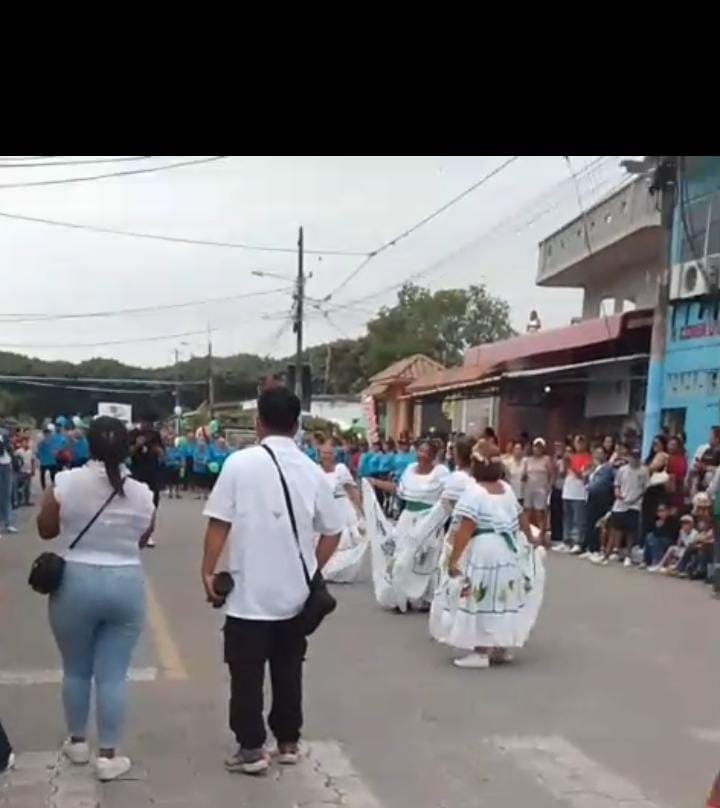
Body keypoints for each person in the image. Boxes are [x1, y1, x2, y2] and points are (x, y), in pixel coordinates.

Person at [201, 387, 341, 775]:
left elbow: (219, 522)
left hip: (248, 594)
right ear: (297, 425)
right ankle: (288, 741)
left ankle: (251, 748)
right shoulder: (312, 471)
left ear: (257, 421)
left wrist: (208, 570)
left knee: (245, 674)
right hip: (295, 595)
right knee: (288, 668)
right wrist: (311, 569)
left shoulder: (239, 463)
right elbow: (332, 531)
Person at [37, 416, 156, 782]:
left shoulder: (66, 482)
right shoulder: (142, 492)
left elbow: (45, 530)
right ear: (126, 448)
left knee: (75, 669)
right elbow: (142, 537)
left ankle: (77, 742)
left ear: (88, 445)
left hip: (74, 581)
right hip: (125, 582)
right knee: (112, 675)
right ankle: (108, 756)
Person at [429, 439, 545, 669]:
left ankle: (481, 652)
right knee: (501, 596)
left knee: (479, 596)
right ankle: (501, 647)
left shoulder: (474, 492)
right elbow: (521, 516)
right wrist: (530, 538)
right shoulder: (506, 489)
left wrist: (454, 559)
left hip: (483, 550)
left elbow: (466, 528)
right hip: (506, 550)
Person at [367, 440, 449, 611]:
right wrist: (374, 482)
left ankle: (424, 598)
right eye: (420, 451)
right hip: (407, 518)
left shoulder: (441, 473)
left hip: (429, 520)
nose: (421, 455)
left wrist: (439, 519)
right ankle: (400, 597)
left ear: (433, 456)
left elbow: (449, 498)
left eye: (426, 452)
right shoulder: (410, 470)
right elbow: (398, 490)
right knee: (401, 558)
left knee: (426, 560)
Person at [318, 441, 367, 583]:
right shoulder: (316, 470)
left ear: (334, 455)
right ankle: (324, 569)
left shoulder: (341, 469)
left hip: (342, 507)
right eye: (324, 453)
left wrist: (362, 511)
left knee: (343, 540)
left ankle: (340, 571)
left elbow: (352, 491)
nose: (326, 456)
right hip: (325, 508)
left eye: (329, 453)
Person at [595, 447, 648, 567]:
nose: (634, 460)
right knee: (615, 529)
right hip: (620, 503)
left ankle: (628, 556)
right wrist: (617, 493)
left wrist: (636, 498)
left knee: (630, 532)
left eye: (637, 457)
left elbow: (645, 488)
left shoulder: (644, 471)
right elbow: (616, 484)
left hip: (634, 504)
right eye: (632, 457)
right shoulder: (622, 470)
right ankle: (606, 555)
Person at [557, 435, 592, 552]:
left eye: (582, 442)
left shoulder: (588, 458)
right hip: (567, 491)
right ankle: (567, 541)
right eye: (577, 442)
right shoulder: (571, 457)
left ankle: (578, 542)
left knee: (578, 519)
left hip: (579, 493)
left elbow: (582, 476)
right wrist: (564, 463)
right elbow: (562, 474)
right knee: (567, 518)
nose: (579, 445)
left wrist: (570, 464)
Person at [580, 446, 615, 560]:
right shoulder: (594, 468)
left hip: (600, 498)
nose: (598, 455)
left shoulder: (607, 468)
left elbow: (599, 484)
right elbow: (585, 478)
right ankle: (589, 547)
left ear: (605, 455)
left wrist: (588, 487)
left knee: (596, 523)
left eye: (600, 452)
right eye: (596, 452)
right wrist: (586, 478)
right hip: (591, 497)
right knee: (589, 522)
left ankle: (595, 549)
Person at [129, 418, 164, 510]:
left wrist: (158, 451)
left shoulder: (155, 435)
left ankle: (152, 511)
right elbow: (128, 453)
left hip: (152, 470)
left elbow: (162, 453)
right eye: (144, 422)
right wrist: (137, 445)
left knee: (154, 496)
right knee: (136, 495)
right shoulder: (133, 434)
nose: (147, 425)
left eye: (149, 423)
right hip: (138, 469)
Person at [642, 434, 669, 538]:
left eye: (657, 444)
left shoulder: (662, 455)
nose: (654, 446)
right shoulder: (650, 457)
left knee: (653, 516)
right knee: (646, 517)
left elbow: (651, 468)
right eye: (653, 443)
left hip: (657, 489)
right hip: (648, 489)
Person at [523, 438, 553, 531]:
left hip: (541, 489)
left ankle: (541, 533)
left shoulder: (546, 459)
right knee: (527, 511)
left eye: (540, 447)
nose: (537, 449)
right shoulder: (527, 460)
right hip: (528, 488)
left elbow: (551, 474)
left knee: (540, 512)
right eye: (536, 447)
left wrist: (549, 487)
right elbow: (524, 474)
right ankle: (526, 532)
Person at [641, 503, 678, 569]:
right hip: (658, 539)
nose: (661, 513)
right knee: (649, 536)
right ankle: (646, 560)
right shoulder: (656, 520)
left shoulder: (672, 520)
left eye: (663, 511)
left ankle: (656, 561)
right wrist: (658, 527)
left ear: (668, 511)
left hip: (669, 540)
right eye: (659, 511)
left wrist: (661, 527)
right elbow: (654, 532)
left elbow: (671, 534)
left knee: (656, 540)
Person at [0, 431, 17, 537]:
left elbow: (10, 449)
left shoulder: (4, 433)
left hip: (6, 465)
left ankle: (8, 523)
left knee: (7, 495)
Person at [550, 440, 566, 543]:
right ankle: (555, 535)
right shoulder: (553, 459)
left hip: (564, 488)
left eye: (559, 447)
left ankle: (562, 534)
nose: (558, 449)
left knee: (562, 512)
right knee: (554, 512)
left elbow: (563, 473)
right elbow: (551, 472)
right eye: (556, 447)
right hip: (555, 487)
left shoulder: (565, 459)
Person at [503, 441, 526, 505]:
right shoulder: (508, 463)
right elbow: (506, 477)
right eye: (516, 449)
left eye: (519, 449)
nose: (518, 451)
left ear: (522, 451)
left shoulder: (526, 462)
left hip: (524, 493)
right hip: (512, 492)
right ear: (513, 450)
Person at [13, 435, 34, 507]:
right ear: (21, 443)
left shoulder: (30, 451)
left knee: (27, 487)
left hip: (28, 471)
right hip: (20, 471)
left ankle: (27, 501)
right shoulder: (18, 451)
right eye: (24, 442)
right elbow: (15, 461)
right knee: (18, 487)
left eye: (27, 442)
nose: (25, 443)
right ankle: (18, 501)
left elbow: (32, 460)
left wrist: (33, 470)